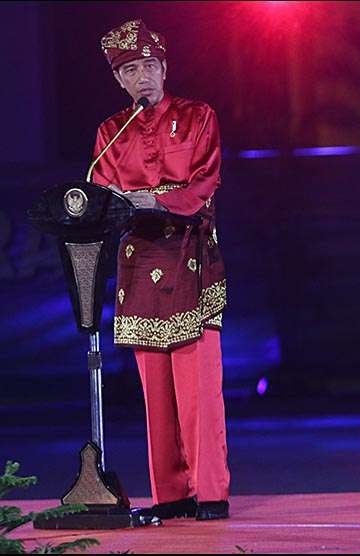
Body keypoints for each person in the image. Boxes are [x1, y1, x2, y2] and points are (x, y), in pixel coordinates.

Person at [93, 19, 230, 520]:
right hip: (139, 263)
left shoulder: (198, 116)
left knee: (199, 387)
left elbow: (203, 182)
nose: (143, 75)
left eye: (150, 65)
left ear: (165, 68)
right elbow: (103, 195)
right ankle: (170, 495)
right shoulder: (111, 132)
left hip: (191, 256)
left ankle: (211, 492)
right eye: (132, 69)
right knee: (156, 391)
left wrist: (154, 199)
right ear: (120, 80)